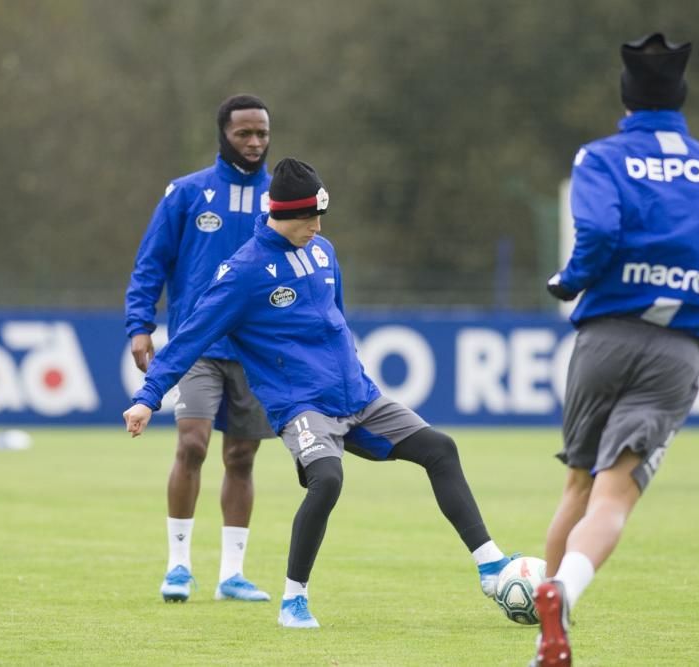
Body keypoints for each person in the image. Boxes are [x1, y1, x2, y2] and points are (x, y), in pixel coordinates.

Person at [123, 157, 513, 628]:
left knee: (440, 449)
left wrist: (354, 376)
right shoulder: (242, 272)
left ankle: (490, 563)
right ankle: (294, 600)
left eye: (320, 215)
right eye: (309, 216)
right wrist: (149, 396)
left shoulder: (323, 251)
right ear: (283, 214)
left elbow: (336, 320)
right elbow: (188, 337)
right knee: (327, 480)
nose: (318, 225)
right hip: (302, 407)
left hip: (360, 397)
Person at [532, 33, 699, 666]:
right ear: (681, 98)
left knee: (577, 484)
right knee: (614, 497)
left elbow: (599, 230)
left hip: (603, 340)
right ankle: (563, 594)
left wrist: (570, 279)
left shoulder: (601, 157)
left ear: (625, 101)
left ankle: (545, 630)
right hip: (675, 352)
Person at [125, 94, 277, 603]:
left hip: (256, 349)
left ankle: (232, 574)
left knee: (241, 456)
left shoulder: (281, 197)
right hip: (198, 344)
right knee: (192, 444)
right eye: (244, 134)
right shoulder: (188, 193)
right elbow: (151, 262)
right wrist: (139, 324)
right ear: (223, 134)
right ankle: (178, 567)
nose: (254, 143)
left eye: (261, 134)